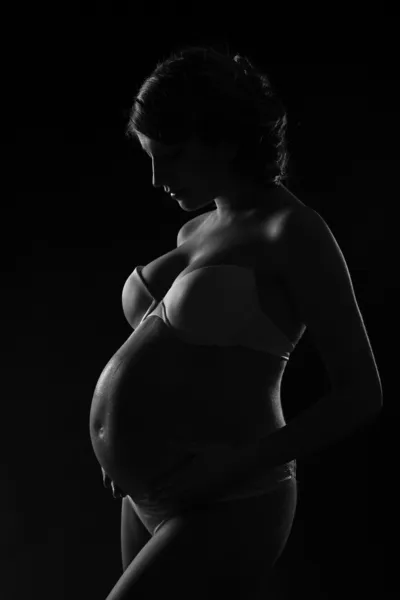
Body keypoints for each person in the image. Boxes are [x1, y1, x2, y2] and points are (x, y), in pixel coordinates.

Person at [89, 45, 382, 599]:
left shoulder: (292, 231)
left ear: (224, 140)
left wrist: (226, 471)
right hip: (147, 492)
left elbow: (361, 393)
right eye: (150, 156)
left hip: (229, 498)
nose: (156, 178)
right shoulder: (194, 232)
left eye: (171, 154)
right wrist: (129, 450)